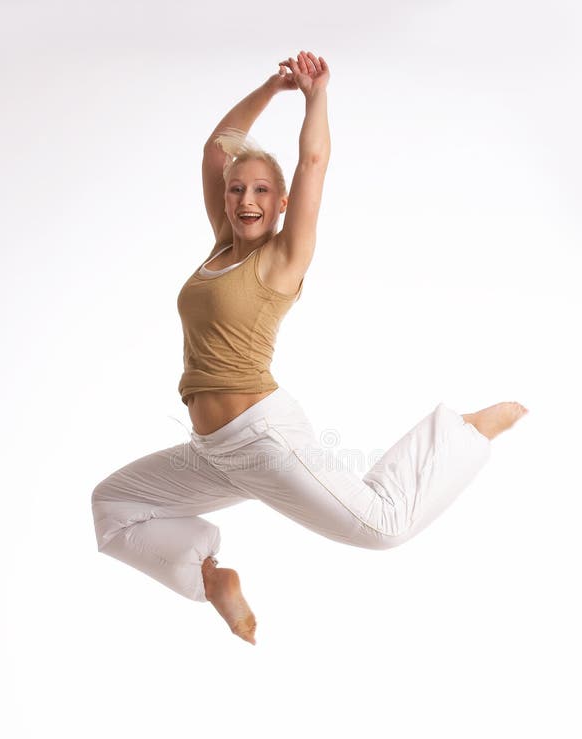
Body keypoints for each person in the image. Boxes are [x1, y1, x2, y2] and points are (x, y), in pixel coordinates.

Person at [91, 51, 528, 647]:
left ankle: (470, 430)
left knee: (384, 526)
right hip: (213, 449)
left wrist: (313, 94)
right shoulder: (221, 250)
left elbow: (314, 160)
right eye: (238, 189)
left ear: (281, 204)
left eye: (263, 191)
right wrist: (273, 84)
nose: (247, 198)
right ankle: (212, 578)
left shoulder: (281, 258)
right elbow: (216, 149)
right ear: (226, 199)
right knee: (114, 505)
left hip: (262, 439)